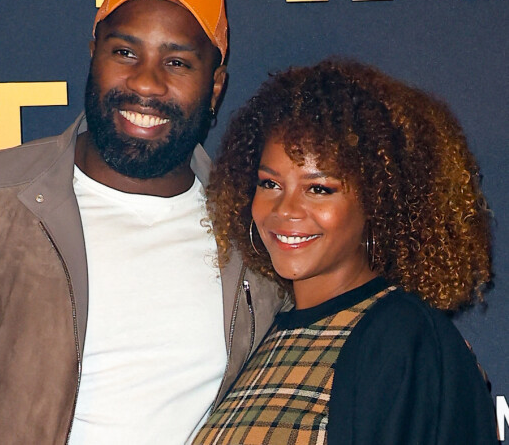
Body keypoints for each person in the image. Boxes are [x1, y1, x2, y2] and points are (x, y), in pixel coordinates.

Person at [0, 0, 286, 444]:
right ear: (93, 54)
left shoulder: (256, 233)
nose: (145, 81)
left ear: (215, 88)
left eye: (177, 62)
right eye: (125, 52)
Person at [194, 59, 498, 444]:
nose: (285, 210)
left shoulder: (403, 341)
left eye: (319, 188)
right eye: (270, 184)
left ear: (378, 200)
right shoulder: (263, 339)